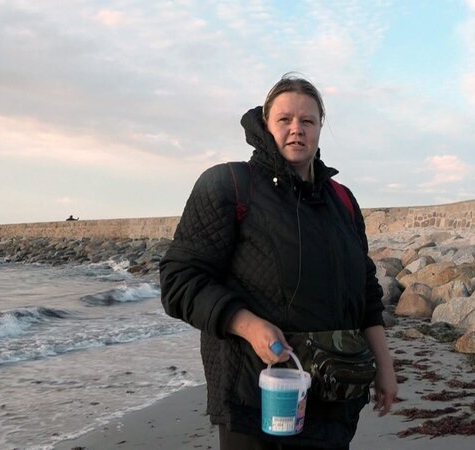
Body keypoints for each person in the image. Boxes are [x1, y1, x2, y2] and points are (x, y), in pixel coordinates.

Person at [160, 73, 397, 450]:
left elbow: (365, 291)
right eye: (285, 119)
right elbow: (179, 281)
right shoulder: (229, 184)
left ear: (320, 127)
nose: (296, 130)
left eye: (308, 121)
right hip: (259, 397)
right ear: (266, 124)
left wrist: (384, 366)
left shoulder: (343, 200)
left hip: (336, 396)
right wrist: (249, 326)